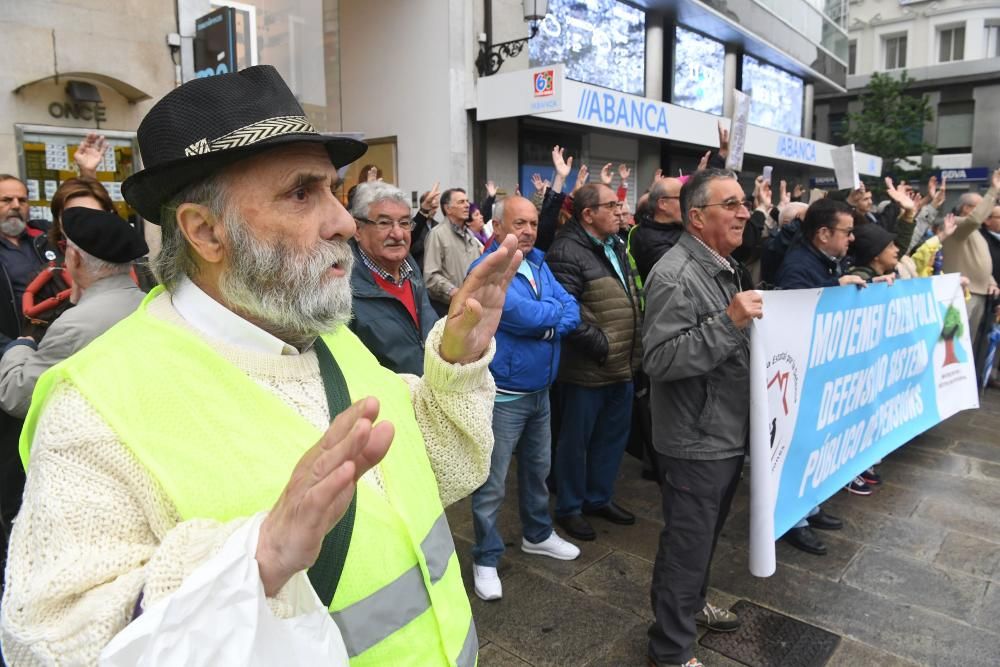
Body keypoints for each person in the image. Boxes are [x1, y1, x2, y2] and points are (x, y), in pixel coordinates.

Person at [1, 65, 521, 666]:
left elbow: (435, 469)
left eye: (332, 188)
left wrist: (456, 362)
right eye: (302, 193)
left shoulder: (327, 339)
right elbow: (48, 644)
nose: (344, 222)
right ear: (205, 231)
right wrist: (255, 559)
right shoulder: (95, 408)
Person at [642, 167, 763, 667]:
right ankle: (671, 651)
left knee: (703, 539)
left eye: (744, 203)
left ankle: (689, 608)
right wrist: (730, 322)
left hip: (724, 430)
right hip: (695, 438)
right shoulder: (674, 274)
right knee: (687, 546)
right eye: (731, 205)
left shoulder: (723, 265)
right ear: (696, 218)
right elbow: (661, 360)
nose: (744, 212)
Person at [468, 196, 581, 601]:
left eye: (533, 222)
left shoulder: (539, 261)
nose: (530, 230)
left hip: (540, 391)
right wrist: (548, 321)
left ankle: (537, 534)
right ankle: (485, 556)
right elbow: (521, 316)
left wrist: (546, 321)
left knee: (538, 470)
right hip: (504, 396)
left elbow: (571, 308)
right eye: (520, 222)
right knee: (492, 482)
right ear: (497, 227)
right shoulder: (486, 267)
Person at [545, 183, 642, 542]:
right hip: (587, 368)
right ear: (588, 214)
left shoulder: (614, 243)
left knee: (611, 438)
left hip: (622, 365)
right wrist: (602, 346)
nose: (620, 211)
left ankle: (599, 497)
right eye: (612, 206)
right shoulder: (566, 250)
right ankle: (570, 506)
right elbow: (566, 313)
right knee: (576, 442)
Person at [774, 198, 861, 554]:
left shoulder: (823, 263)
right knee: (798, 448)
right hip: (800, 378)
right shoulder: (798, 267)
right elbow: (798, 319)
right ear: (823, 234)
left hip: (816, 375)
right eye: (847, 232)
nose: (851, 239)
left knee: (814, 443)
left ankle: (810, 506)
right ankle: (795, 521)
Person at [0, 207, 147, 418]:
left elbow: (16, 397)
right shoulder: (149, 304)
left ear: (75, 257)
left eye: (63, 246)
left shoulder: (72, 327)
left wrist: (21, 346)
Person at [347, 181, 438, 375]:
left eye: (404, 223)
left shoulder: (411, 269)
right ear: (357, 229)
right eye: (384, 223)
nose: (398, 234)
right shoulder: (343, 290)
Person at [941, 169, 1000, 349]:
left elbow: (981, 263)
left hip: (980, 292)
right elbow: (974, 220)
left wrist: (991, 281)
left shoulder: (977, 234)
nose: (986, 213)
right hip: (963, 293)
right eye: (981, 207)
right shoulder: (956, 224)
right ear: (966, 208)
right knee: (954, 345)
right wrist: (993, 190)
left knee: (969, 344)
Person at [423, 187, 483, 316]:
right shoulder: (437, 234)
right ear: (447, 208)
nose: (467, 205)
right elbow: (431, 277)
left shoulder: (470, 236)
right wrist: (454, 292)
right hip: (448, 310)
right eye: (461, 202)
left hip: (472, 308)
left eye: (467, 201)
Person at [629, 176, 684, 283]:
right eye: (681, 198)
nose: (687, 204)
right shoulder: (649, 240)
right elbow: (683, 273)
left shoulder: (676, 226)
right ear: (663, 204)